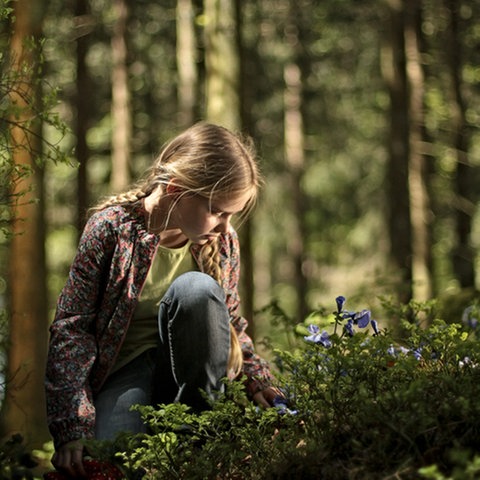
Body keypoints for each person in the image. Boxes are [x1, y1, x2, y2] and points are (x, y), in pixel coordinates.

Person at [45, 122, 281, 477]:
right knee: (116, 461)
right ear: (176, 189)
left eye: (232, 215)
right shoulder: (111, 229)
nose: (225, 227)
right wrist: (71, 426)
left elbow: (228, 323)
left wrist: (258, 379)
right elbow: (72, 329)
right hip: (125, 376)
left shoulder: (222, 242)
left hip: (198, 383)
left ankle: (201, 429)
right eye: (218, 211)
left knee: (197, 290)